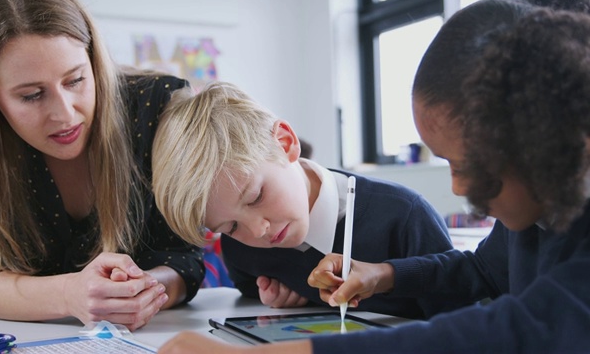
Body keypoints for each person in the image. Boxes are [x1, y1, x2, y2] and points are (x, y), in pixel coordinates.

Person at [158, 0, 590, 353]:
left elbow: (523, 329)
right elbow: (481, 271)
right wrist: (383, 274)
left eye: (466, 164)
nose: (458, 186)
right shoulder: (540, 210)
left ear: (540, 135)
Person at [0, 0, 204, 331]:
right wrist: (69, 294)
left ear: (93, 59)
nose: (65, 114)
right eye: (32, 95)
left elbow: (183, 257)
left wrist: (143, 291)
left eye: (75, 80)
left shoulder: (154, 107)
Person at [151, 81, 457, 319]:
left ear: (285, 143)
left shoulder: (403, 218)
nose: (257, 231)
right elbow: (247, 286)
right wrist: (276, 295)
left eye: (256, 197)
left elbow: (463, 319)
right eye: (230, 226)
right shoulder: (242, 247)